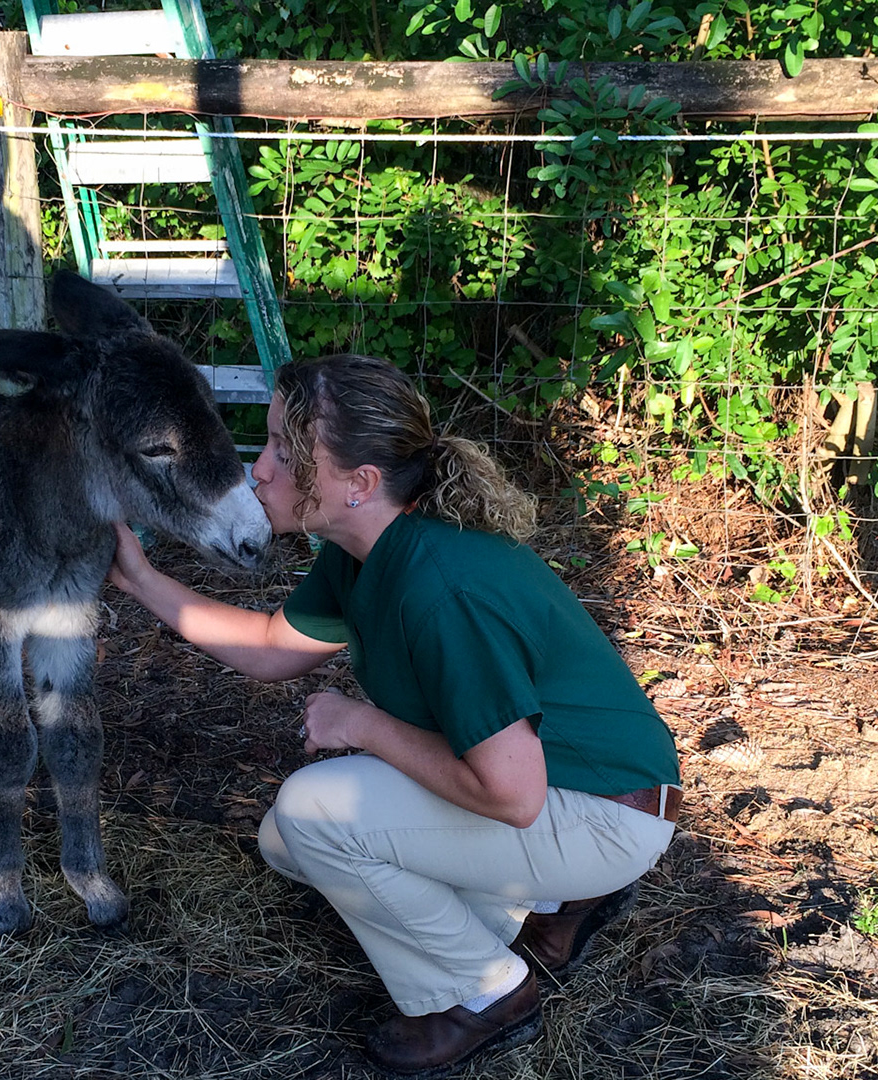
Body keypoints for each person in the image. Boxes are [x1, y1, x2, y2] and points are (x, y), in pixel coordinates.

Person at [109, 353, 681, 1077]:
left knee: (315, 811)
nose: (259, 469)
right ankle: (543, 901)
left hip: (603, 810)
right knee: (287, 837)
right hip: (562, 798)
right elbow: (265, 647)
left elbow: (512, 793)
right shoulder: (365, 551)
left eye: (285, 451)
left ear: (359, 484)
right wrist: (139, 579)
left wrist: (359, 726)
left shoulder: (442, 590)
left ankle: (487, 992)